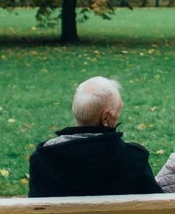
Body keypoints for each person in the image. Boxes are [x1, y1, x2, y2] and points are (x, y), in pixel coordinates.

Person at [28, 76, 162, 197]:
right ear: (105, 118)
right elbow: (156, 206)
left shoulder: (40, 160)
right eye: (118, 110)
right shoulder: (134, 158)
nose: (119, 115)